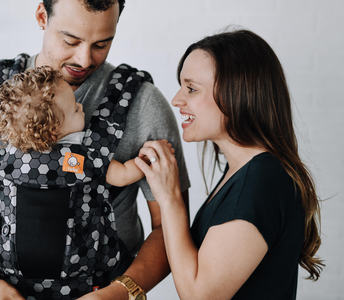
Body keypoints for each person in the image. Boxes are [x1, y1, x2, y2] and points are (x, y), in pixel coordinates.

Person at [0, 0, 190, 299]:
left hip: (103, 290)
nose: (84, 59)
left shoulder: (142, 103)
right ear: (42, 17)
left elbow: (171, 225)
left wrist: (119, 293)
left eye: (102, 44)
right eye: (71, 40)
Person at [134, 29, 324, 299]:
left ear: (237, 93)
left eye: (191, 88)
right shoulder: (245, 172)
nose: (177, 100)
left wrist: (170, 198)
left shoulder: (262, 182)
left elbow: (200, 295)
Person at [0, 66, 171, 194]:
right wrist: (148, 160)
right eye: (76, 109)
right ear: (53, 133)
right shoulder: (80, 158)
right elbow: (123, 175)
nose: (82, 107)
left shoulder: (8, 157)